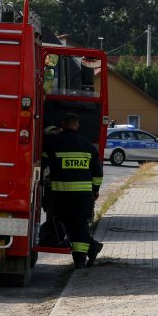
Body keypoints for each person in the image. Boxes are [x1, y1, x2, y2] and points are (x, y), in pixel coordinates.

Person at [41, 113, 103, 268]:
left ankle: (85, 254)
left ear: (63, 124)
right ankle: (84, 255)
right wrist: (95, 190)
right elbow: (97, 172)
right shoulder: (87, 144)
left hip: (62, 194)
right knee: (80, 224)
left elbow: (42, 158)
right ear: (77, 125)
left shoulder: (55, 142)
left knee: (67, 224)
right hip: (84, 195)